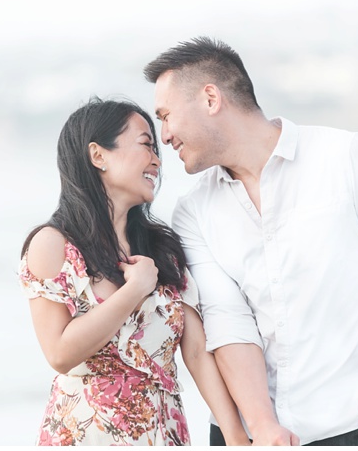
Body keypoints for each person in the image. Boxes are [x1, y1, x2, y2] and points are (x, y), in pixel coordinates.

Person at [143, 37, 358, 446]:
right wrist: (263, 427)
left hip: (353, 424)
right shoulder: (193, 211)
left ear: (211, 98)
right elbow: (228, 320)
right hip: (249, 435)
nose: (165, 135)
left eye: (166, 116)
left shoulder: (348, 157)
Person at [18, 97, 250, 446]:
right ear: (98, 155)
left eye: (157, 149)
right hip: (86, 436)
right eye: (146, 145)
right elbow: (60, 354)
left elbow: (197, 352)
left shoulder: (163, 249)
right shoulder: (53, 245)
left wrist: (235, 436)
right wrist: (134, 290)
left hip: (163, 434)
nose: (157, 160)